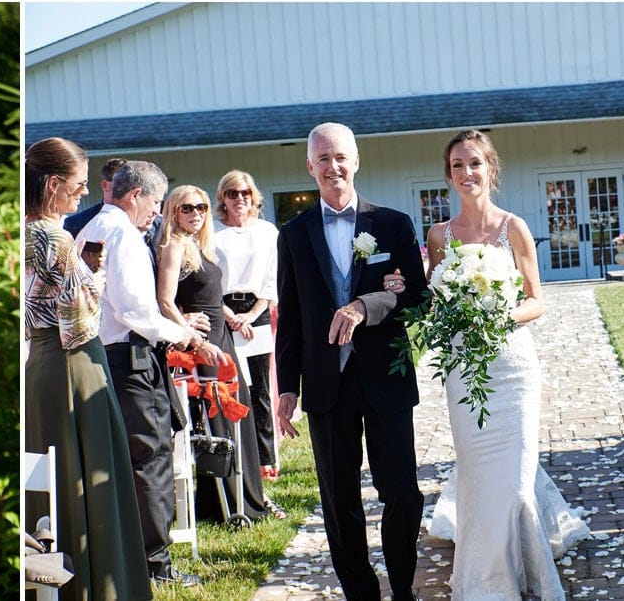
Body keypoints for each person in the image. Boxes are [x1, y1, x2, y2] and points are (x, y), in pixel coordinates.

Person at [412, 130, 589, 600]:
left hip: (512, 369)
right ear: (448, 175)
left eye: (474, 163)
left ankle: (524, 570)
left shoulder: (514, 228)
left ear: (491, 168)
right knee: (477, 476)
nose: (466, 173)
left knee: (514, 485)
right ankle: (488, 580)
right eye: (457, 166)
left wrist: (495, 317)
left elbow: (535, 301)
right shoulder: (438, 236)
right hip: (464, 371)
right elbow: (436, 304)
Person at [274, 123, 425, 601]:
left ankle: (403, 588)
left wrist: (365, 305)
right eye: (322, 158)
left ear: (356, 160)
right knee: (339, 503)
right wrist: (286, 387)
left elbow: (416, 299)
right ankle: (362, 593)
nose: (332, 166)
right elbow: (291, 317)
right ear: (309, 166)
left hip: (386, 377)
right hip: (325, 383)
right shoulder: (293, 235)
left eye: (340, 157)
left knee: (401, 492)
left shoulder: (393, 224)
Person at [72, 161, 213, 588]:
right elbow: (135, 311)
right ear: (135, 196)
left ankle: (130, 553)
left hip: (103, 357)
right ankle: (156, 563)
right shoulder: (126, 238)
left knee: (124, 460)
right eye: (155, 203)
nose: (157, 213)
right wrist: (184, 334)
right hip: (131, 361)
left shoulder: (91, 229)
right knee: (150, 459)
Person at [23, 137, 151, 601]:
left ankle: (50, 583)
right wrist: (93, 277)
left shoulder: (23, 231)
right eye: (78, 186)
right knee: (84, 477)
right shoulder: (53, 237)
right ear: (53, 184)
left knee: (51, 479)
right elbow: (78, 324)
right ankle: (97, 585)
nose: (83, 194)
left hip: (41, 364)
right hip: (74, 364)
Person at [155, 184, 279, 525]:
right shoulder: (173, 246)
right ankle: (226, 506)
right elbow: (165, 301)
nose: (196, 213)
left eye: (202, 207)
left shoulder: (199, 245)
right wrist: (192, 337)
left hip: (222, 339)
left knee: (239, 416)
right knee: (218, 422)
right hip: (203, 346)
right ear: (173, 212)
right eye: (187, 208)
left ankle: (248, 498)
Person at [212, 170, 279, 479]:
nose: (239, 198)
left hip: (257, 310)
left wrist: (251, 316)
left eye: (245, 193)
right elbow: (209, 283)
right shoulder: (211, 233)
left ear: (254, 197)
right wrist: (231, 317)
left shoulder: (267, 232)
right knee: (231, 385)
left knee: (260, 389)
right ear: (223, 198)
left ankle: (266, 458)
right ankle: (238, 453)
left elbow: (271, 279)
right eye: (232, 193)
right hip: (223, 311)